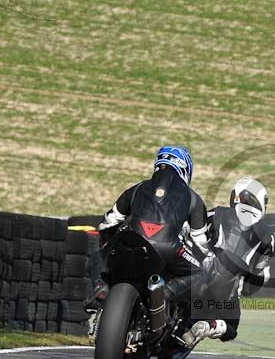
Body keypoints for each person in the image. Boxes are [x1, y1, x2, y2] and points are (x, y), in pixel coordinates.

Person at [87, 145, 210, 341]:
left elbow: (108, 222)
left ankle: (101, 290)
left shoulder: (137, 188)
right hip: (168, 248)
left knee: (96, 257)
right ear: (185, 170)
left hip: (129, 240)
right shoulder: (193, 198)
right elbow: (201, 242)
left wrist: (107, 247)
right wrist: (208, 259)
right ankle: (166, 294)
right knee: (200, 273)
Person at [181, 176, 274, 347]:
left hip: (200, 274)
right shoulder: (268, 234)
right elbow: (261, 274)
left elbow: (191, 230)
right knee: (232, 328)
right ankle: (210, 326)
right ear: (258, 200)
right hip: (226, 291)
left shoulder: (216, 212)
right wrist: (246, 289)